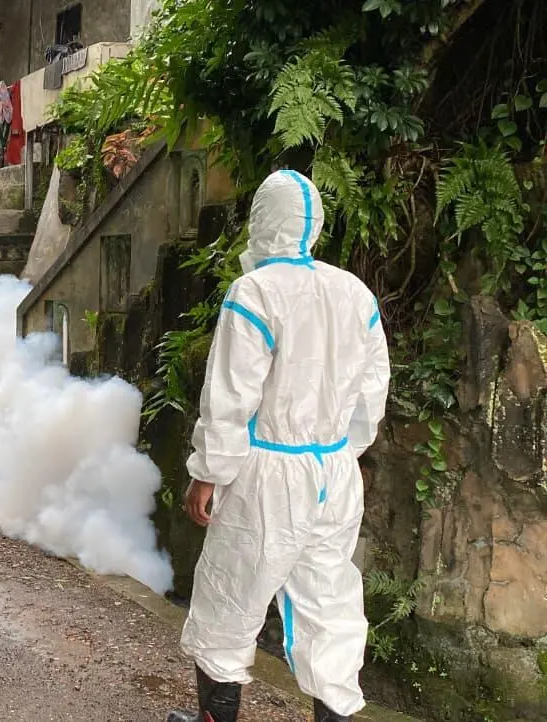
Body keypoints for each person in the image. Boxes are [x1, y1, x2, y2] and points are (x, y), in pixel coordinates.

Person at [167, 169, 391, 722]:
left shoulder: (255, 292)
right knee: (330, 604)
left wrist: (209, 473)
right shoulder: (355, 293)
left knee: (228, 599)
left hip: (265, 471)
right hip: (335, 474)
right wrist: (339, 453)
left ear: (262, 221)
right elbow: (372, 394)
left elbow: (230, 397)